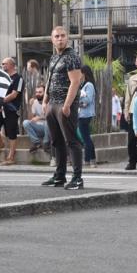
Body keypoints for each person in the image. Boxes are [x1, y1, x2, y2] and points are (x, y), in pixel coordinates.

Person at [41, 26, 83, 190]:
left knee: (71, 141)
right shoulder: (53, 58)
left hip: (64, 105)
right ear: (52, 39)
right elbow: (50, 79)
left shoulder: (72, 57)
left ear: (67, 38)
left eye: (63, 36)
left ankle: (78, 178)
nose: (60, 39)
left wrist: (67, 105)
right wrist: (45, 100)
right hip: (52, 104)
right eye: (56, 36)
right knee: (56, 141)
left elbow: (75, 82)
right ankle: (59, 176)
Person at [0, 57, 24, 166]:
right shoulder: (1, 77)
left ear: (11, 65)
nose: (2, 65)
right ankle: (0, 143)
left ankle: (11, 157)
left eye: (5, 64)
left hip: (11, 109)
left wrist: (1, 100)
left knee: (11, 134)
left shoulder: (18, 78)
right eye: (2, 64)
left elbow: (14, 94)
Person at [78, 65, 96, 168]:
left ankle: (87, 160)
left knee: (85, 138)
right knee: (87, 137)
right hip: (82, 114)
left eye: (79, 73)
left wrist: (79, 103)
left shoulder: (89, 85)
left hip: (85, 114)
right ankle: (92, 159)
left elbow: (87, 100)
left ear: (83, 73)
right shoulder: (83, 85)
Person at [23, 85, 50, 152]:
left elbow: (51, 117)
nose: (38, 94)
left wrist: (39, 117)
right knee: (25, 122)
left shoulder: (49, 102)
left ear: (45, 93)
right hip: (39, 128)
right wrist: (30, 106)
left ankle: (46, 143)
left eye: (40, 92)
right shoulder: (35, 102)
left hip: (49, 129)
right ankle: (36, 143)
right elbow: (30, 118)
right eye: (36, 92)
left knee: (48, 122)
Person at [123, 55, 137, 170]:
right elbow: (128, 97)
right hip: (134, 111)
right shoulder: (132, 79)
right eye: (136, 62)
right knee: (131, 139)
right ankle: (132, 161)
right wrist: (126, 112)